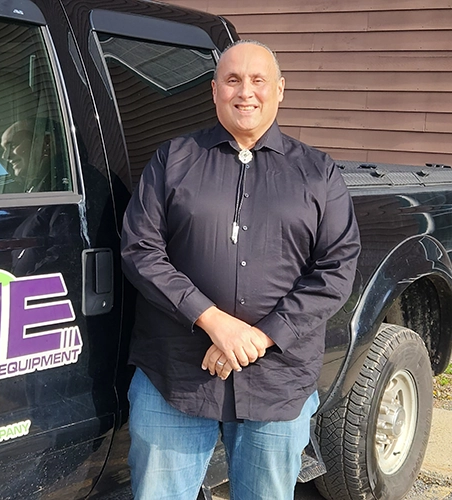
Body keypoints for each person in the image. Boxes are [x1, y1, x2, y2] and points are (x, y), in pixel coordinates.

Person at [120, 40, 361, 500]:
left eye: (258, 81)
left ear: (280, 90)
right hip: (175, 373)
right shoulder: (174, 159)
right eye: (232, 80)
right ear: (214, 91)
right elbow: (140, 248)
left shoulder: (319, 173)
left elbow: (336, 268)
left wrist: (260, 336)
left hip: (277, 379)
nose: (245, 92)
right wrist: (215, 322)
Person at [0, 120, 51, 193]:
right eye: (5, 149)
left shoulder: (59, 183)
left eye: (13, 145)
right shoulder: (37, 184)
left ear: (46, 142)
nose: (5, 156)